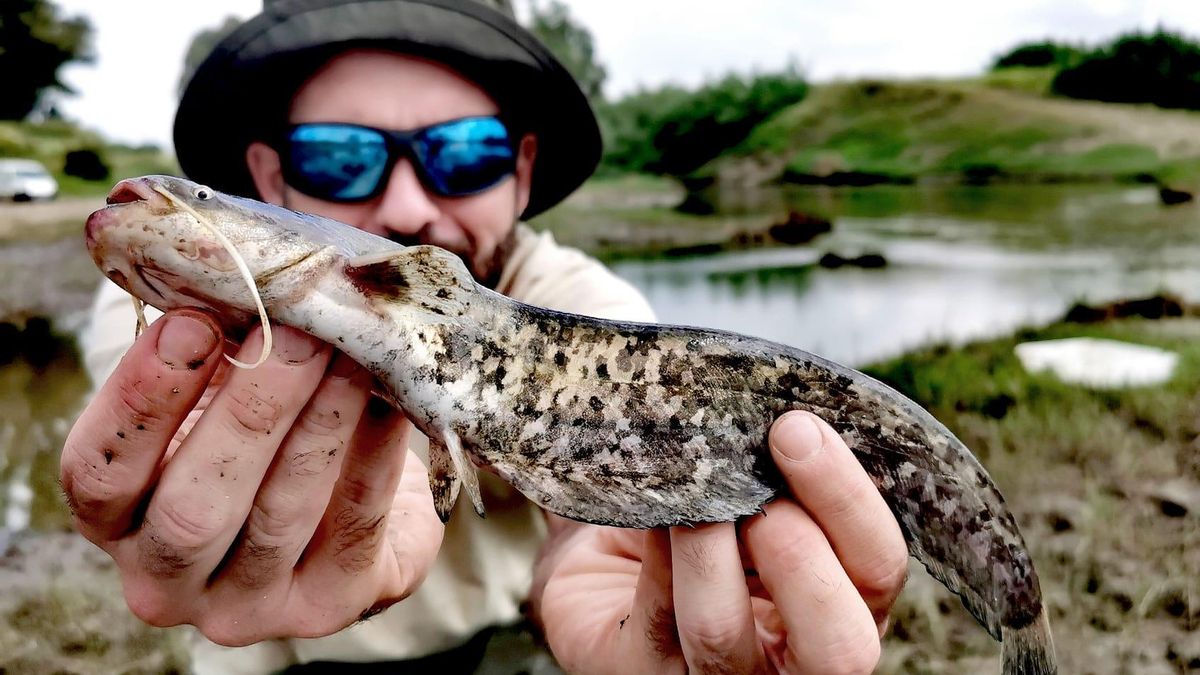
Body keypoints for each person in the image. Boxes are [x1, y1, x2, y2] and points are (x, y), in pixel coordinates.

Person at [61, 1, 909, 672]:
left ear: (523, 172)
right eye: (341, 159)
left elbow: (591, 523)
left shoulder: (578, 302)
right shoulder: (177, 313)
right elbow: (155, 443)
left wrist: (609, 571)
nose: (406, 208)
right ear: (269, 179)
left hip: (508, 648)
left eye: (463, 154)